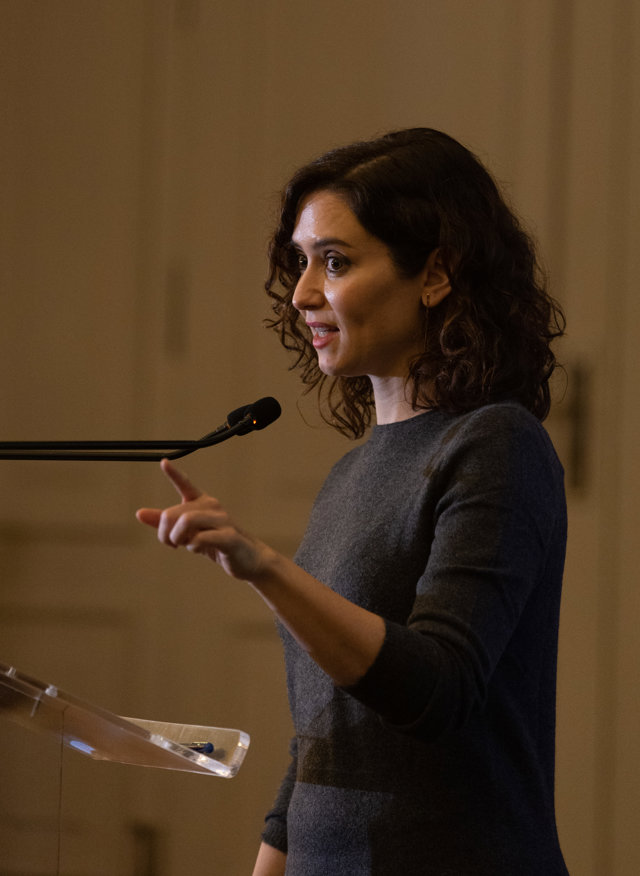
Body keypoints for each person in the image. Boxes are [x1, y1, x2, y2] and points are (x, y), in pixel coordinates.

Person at [137, 128, 569, 875]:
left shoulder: (497, 445)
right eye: (301, 261)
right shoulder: (351, 474)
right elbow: (329, 726)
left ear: (436, 273)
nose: (303, 293)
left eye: (334, 262)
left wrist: (263, 566)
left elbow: (436, 690)